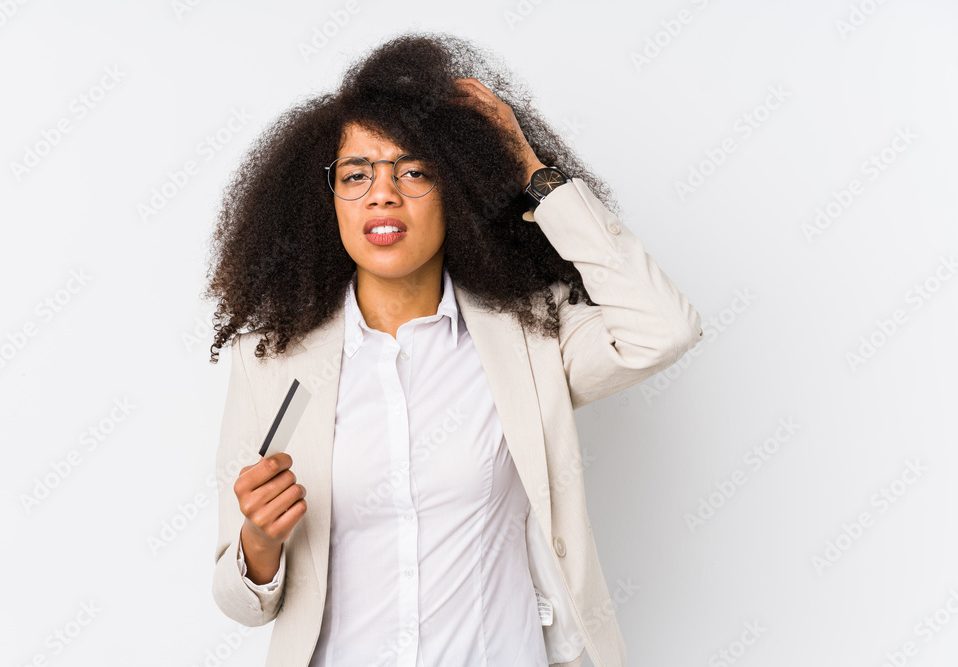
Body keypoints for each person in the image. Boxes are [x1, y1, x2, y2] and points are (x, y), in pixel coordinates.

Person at [203, 31, 702, 667]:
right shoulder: (272, 365)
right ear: (325, 201)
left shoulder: (528, 339)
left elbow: (663, 329)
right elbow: (241, 602)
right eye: (356, 174)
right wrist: (259, 544)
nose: (382, 193)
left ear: (458, 191)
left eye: (413, 171)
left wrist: (532, 174)